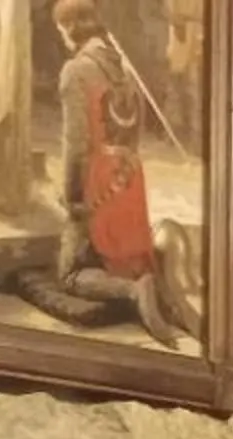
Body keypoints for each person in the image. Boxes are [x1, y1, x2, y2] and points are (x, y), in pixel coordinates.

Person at [51, 0, 199, 346]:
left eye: (62, 30)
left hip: (97, 181)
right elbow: (137, 127)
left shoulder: (75, 71)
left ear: (70, 27)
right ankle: (156, 282)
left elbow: (76, 144)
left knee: (69, 274)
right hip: (129, 178)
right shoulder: (125, 69)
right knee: (123, 255)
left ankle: (134, 290)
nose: (63, 37)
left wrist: (72, 197)